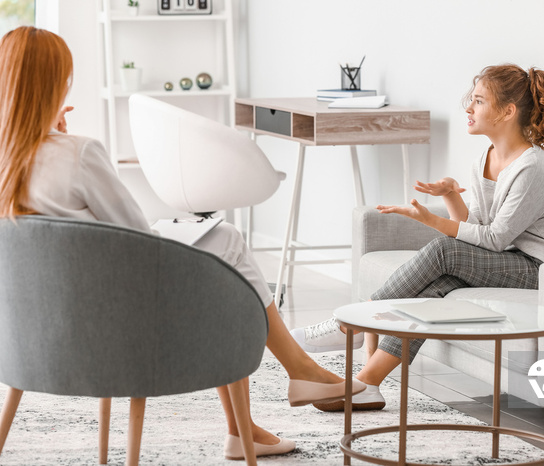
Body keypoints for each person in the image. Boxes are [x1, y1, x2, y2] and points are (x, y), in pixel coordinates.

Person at [0, 26, 365, 460]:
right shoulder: (77, 153)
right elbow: (138, 237)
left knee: (221, 254)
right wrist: (61, 135)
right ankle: (295, 374)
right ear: (52, 86)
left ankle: (254, 415)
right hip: (123, 325)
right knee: (226, 244)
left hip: (33, 336)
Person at [291, 63, 544, 411]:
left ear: (507, 112)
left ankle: (351, 322)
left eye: (478, 101)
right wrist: (451, 195)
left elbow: (492, 239)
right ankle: (367, 384)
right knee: (434, 291)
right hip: (515, 256)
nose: (469, 108)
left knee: (444, 251)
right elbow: (476, 227)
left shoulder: (532, 168)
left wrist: (433, 220)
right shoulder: (486, 158)